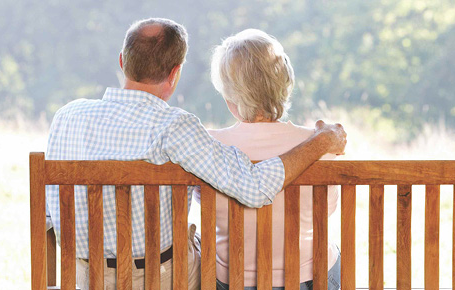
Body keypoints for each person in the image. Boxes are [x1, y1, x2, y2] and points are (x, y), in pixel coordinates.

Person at [44, 18, 347, 290]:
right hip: (159, 279)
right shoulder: (175, 127)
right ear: (175, 74)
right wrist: (321, 141)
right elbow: (254, 188)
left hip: (84, 277)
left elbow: (48, 209)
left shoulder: (67, 116)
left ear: (122, 61)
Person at [203, 29, 340, 290]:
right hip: (306, 279)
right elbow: (328, 207)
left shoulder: (207, 146)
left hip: (232, 281)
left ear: (230, 95)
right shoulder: (321, 144)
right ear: (285, 83)